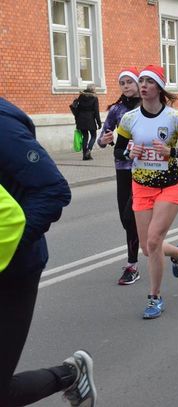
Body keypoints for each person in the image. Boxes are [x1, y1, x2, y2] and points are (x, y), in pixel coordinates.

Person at [0, 98, 96, 406]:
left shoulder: (3, 124)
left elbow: (53, 190)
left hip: (14, 271)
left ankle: (71, 374)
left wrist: (10, 249)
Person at [114, 65, 178, 319]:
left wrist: (171, 152)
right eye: (140, 81)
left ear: (159, 88)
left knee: (153, 240)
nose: (142, 85)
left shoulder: (174, 118)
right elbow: (118, 151)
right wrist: (129, 153)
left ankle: (155, 297)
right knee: (146, 248)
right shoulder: (129, 119)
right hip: (141, 187)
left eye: (149, 82)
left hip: (169, 186)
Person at [97, 67, 142, 285]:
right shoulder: (116, 110)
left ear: (138, 83)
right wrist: (104, 140)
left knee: (130, 217)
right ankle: (145, 245)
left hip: (145, 169)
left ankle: (132, 265)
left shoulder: (147, 107)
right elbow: (103, 136)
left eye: (129, 82)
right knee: (126, 220)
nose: (126, 86)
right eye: (122, 83)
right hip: (122, 169)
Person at [70, 83, 102, 160]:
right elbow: (96, 111)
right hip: (90, 119)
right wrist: (99, 123)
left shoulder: (81, 96)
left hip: (81, 119)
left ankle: (85, 156)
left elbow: (77, 109)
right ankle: (89, 150)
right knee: (93, 136)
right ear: (93, 90)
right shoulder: (94, 98)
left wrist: (76, 120)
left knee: (85, 137)